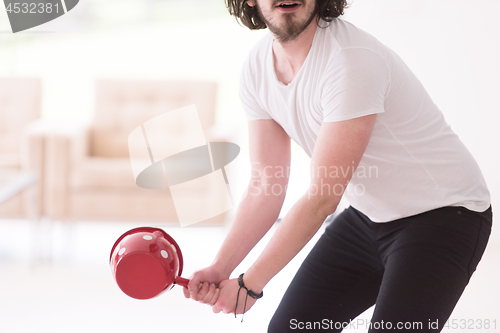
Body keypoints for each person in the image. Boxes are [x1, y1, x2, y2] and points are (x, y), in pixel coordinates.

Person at [183, 0, 493, 332]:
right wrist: (222, 266)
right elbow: (265, 185)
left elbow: (322, 198)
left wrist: (250, 285)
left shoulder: (350, 60)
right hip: (369, 216)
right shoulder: (257, 68)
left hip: (444, 215)